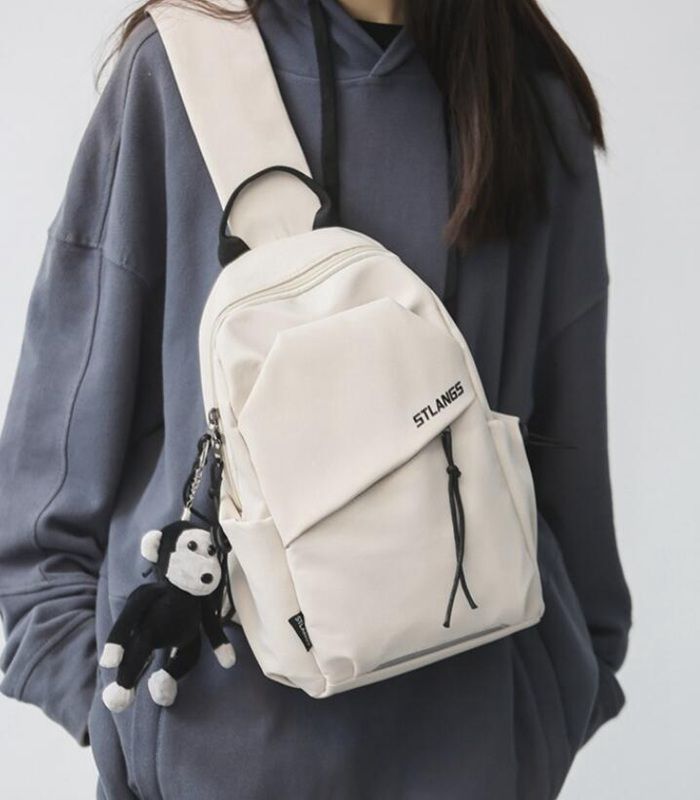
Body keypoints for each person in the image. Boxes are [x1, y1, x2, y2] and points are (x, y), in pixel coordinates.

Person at [0, 1, 632, 798]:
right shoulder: (184, 70)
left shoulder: (526, 106)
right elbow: (42, 496)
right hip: (209, 766)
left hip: (473, 761)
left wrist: (547, 708)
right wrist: (127, 726)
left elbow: (571, 487)